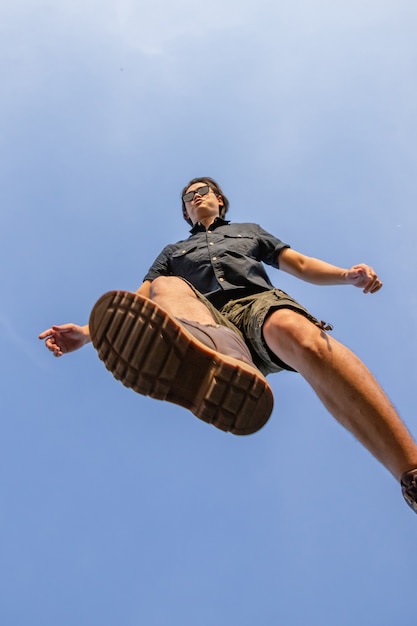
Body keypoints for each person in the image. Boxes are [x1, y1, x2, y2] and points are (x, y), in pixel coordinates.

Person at [39, 176, 417, 514]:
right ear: (185, 214)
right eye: (187, 199)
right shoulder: (173, 252)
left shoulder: (248, 231)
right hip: (202, 320)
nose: (194, 199)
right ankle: (215, 352)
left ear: (219, 199)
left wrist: (346, 275)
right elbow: (140, 298)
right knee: (166, 285)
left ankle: (411, 476)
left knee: (301, 338)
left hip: (256, 305)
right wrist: (91, 332)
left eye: (201, 192)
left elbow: (299, 264)